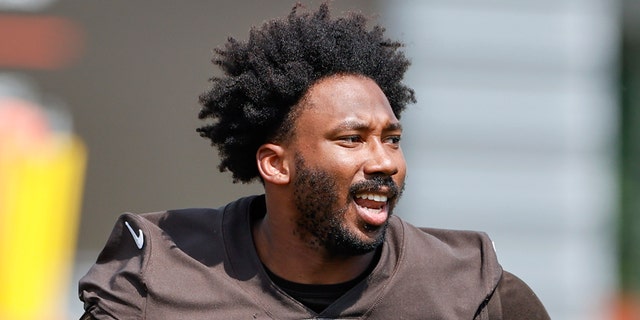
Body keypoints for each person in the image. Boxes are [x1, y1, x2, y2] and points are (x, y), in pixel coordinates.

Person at [78, 3, 550, 319]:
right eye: (352, 139)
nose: (383, 161)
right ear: (275, 165)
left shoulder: (473, 292)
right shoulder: (155, 278)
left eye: (392, 139)